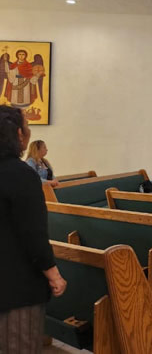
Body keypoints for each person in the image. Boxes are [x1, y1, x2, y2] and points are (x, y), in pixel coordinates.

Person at [0, 106, 67, 353]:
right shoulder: (20, 174)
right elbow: (33, 233)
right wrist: (53, 274)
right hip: (15, 287)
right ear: (19, 134)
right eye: (27, 126)